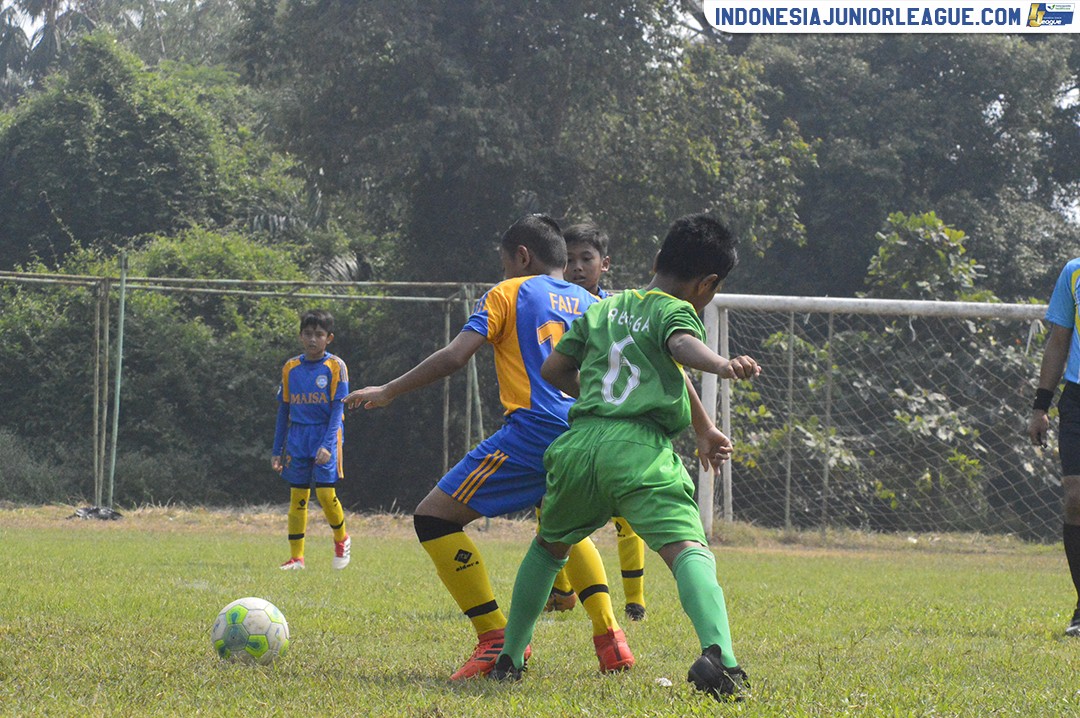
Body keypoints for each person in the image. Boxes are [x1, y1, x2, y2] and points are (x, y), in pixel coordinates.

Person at [344, 214, 635, 679]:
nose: (502, 273)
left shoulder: (509, 292)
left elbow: (455, 356)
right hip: (589, 434)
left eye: (504, 264)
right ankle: (611, 640)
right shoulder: (594, 303)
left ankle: (494, 636)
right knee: (561, 526)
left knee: (434, 517)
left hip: (534, 432)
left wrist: (389, 390)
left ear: (522, 257)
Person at [489, 213, 761, 703]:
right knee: (685, 548)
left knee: (549, 547)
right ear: (708, 284)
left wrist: (603, 398)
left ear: (657, 260)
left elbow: (553, 368)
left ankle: (509, 657)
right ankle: (721, 656)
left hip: (579, 446)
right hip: (637, 451)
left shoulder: (601, 310)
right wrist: (721, 364)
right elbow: (681, 346)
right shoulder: (673, 311)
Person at [547, 222, 648, 622]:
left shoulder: (620, 313)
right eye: (568, 259)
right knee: (553, 507)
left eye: (585, 259)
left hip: (610, 424)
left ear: (604, 264)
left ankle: (635, 601)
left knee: (625, 513)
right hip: (562, 419)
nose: (576, 267)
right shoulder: (552, 303)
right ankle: (562, 589)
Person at [272, 308, 351, 571]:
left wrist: (327, 445)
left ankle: (341, 540)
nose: (313, 339)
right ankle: (297, 558)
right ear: (300, 336)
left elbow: (338, 409)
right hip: (298, 437)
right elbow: (284, 410)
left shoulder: (335, 366)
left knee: (326, 495)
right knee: (298, 498)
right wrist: (277, 449)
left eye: (319, 335)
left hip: (325, 433)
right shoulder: (291, 368)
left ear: (329, 338)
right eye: (308, 334)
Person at [1027, 257, 1080, 636]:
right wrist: (1040, 406)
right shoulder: (1073, 271)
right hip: (1077, 399)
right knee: (1075, 498)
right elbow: (1058, 341)